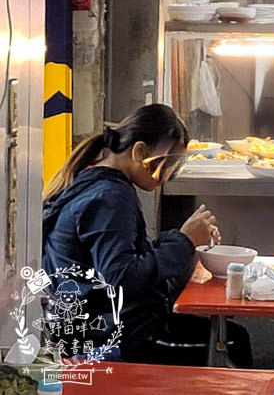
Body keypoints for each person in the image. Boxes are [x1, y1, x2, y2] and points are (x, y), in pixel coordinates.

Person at [42, 104, 252, 366]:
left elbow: (124, 261)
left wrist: (184, 240)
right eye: (168, 166)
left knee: (228, 335)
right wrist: (184, 241)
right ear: (140, 151)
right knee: (232, 342)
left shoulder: (93, 182)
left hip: (96, 326)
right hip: (112, 337)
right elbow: (122, 278)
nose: (166, 178)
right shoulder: (110, 197)